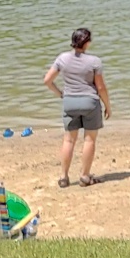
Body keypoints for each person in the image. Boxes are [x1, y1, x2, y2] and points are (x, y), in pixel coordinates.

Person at [43, 27, 110, 187]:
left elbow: (47, 80)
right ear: (86, 43)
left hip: (70, 102)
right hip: (90, 102)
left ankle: (64, 177)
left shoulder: (62, 58)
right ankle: (85, 176)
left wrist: (61, 94)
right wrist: (108, 105)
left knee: (69, 140)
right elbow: (100, 87)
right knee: (89, 140)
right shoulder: (94, 61)